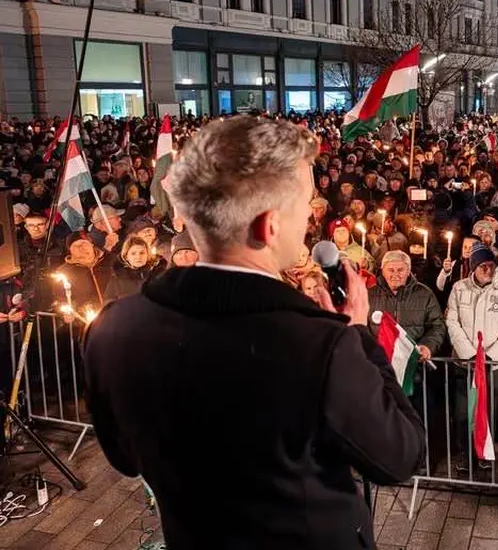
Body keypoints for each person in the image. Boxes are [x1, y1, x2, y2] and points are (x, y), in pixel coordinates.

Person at [83, 117, 424, 549]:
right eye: (305, 203)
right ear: (270, 225)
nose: (310, 215)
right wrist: (357, 335)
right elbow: (400, 455)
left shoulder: (113, 327)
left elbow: (125, 459)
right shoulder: (322, 347)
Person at [445, 242, 498, 470]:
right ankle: (465, 452)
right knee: (462, 412)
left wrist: (490, 357)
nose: (487, 270)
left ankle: (484, 453)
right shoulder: (459, 288)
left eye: (491, 265)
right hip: (465, 363)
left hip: (491, 366)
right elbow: (452, 322)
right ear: (473, 267)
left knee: (488, 410)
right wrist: (469, 354)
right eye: (482, 266)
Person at [368, 250, 446, 363]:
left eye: (400, 270)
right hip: (379, 365)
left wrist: (427, 345)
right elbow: (360, 327)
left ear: (409, 271)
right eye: (390, 270)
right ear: (383, 271)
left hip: (413, 365)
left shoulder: (424, 294)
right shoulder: (370, 295)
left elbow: (437, 326)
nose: (395, 274)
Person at [103, 235, 162, 302]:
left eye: (142, 253)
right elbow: (108, 303)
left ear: (147, 255)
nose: (138, 257)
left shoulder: (157, 274)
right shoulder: (117, 280)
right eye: (133, 253)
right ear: (126, 256)